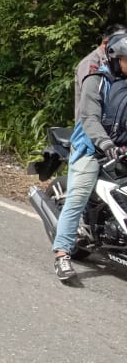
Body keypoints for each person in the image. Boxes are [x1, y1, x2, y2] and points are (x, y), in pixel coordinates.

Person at [53, 31, 127, 281]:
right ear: (116, 58)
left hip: (120, 149)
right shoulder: (95, 81)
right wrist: (105, 144)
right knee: (78, 197)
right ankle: (62, 254)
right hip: (92, 148)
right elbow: (90, 118)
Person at [74, 25, 124, 121]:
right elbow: (90, 97)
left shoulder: (114, 61)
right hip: (90, 125)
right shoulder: (91, 63)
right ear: (106, 43)